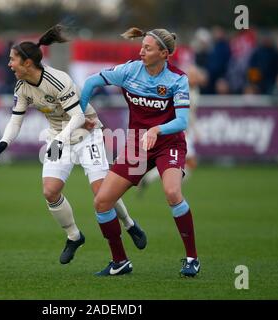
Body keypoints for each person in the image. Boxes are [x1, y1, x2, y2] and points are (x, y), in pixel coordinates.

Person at [0, 25, 146, 265]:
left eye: (13, 60)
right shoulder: (22, 87)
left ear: (27, 63)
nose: (9, 64)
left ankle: (129, 224)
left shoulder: (58, 79)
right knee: (50, 191)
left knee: (102, 192)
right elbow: (16, 120)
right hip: (59, 136)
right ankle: (74, 236)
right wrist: (4, 142)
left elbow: (78, 118)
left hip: (87, 133)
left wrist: (60, 140)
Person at [80, 27, 200, 277]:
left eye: (147, 47)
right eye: (142, 46)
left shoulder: (177, 79)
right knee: (102, 202)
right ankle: (120, 261)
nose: (141, 50)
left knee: (172, 191)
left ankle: (192, 258)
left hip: (169, 144)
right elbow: (91, 82)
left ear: (164, 53)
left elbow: (182, 122)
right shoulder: (129, 70)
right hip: (137, 145)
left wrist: (156, 129)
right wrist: (80, 115)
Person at [137, 64, 205, 191]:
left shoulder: (195, 90)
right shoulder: (181, 89)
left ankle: (158, 180)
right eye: (193, 75)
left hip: (186, 129)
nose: (195, 78)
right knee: (189, 163)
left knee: (182, 163)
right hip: (180, 130)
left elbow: (191, 115)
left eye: (195, 75)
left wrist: (196, 130)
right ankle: (169, 185)